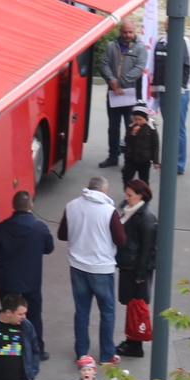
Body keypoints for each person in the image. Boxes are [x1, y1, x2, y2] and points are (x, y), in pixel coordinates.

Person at [59, 176, 126, 362]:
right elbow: (121, 240)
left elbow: (62, 234)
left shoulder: (72, 206)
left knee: (81, 311)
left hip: (77, 266)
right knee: (107, 312)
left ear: (88, 188)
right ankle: (106, 354)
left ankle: (82, 353)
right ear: (104, 191)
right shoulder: (109, 211)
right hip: (102, 269)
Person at [0, 190, 55, 358]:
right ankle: (35, 350)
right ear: (31, 206)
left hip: (7, 280)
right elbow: (49, 248)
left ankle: (9, 348)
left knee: (8, 313)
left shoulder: (2, 227)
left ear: (13, 206)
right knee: (33, 315)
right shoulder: (40, 228)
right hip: (31, 281)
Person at [114, 179, 158, 359]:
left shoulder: (145, 218)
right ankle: (132, 339)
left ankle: (135, 344)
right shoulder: (135, 212)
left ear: (141, 195)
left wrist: (140, 275)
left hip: (135, 269)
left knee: (136, 306)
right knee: (132, 306)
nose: (126, 198)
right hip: (130, 266)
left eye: (130, 195)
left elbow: (148, 249)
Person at [98, 19, 147, 169]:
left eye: (130, 32)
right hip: (113, 94)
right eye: (125, 32)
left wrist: (120, 83)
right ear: (120, 32)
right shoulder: (111, 46)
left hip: (130, 95)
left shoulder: (140, 48)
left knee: (130, 127)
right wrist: (111, 81)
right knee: (113, 127)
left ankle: (129, 157)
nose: (128, 35)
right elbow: (104, 64)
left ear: (135, 31)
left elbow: (139, 69)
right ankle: (113, 156)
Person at [151, 31, 190, 174]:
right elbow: (157, 67)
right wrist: (155, 88)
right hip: (164, 91)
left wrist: (182, 88)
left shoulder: (185, 42)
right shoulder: (161, 43)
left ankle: (179, 164)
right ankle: (169, 160)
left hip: (179, 93)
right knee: (169, 128)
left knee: (178, 128)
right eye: (168, 23)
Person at [121, 106, 158, 187]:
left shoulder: (150, 128)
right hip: (131, 158)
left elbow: (155, 145)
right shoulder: (131, 127)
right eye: (135, 119)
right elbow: (127, 141)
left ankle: (144, 196)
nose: (138, 122)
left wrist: (155, 161)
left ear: (145, 118)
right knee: (126, 176)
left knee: (144, 180)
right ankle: (128, 192)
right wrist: (132, 133)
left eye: (140, 119)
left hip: (144, 159)